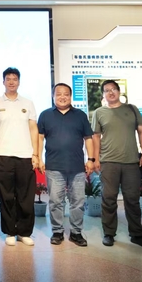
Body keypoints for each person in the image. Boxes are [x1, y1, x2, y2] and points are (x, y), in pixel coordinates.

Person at [91, 79, 142, 249]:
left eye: (113, 89)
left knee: (132, 200)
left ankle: (137, 235)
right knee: (109, 199)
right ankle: (109, 233)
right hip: (108, 162)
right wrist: (95, 159)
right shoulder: (99, 112)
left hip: (131, 162)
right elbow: (96, 137)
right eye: (107, 90)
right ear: (103, 95)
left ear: (119, 92)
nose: (110, 92)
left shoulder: (131, 109)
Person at [37, 83, 94, 247]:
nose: (62, 97)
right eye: (59, 94)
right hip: (54, 166)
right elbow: (39, 138)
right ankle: (57, 231)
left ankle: (76, 233)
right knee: (55, 201)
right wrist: (38, 158)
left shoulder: (80, 115)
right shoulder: (45, 115)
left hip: (77, 167)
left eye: (66, 94)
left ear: (70, 96)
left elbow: (88, 138)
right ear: (53, 96)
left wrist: (91, 159)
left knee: (78, 201)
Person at [0, 67, 39, 247]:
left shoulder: (28, 103)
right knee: (7, 195)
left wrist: (35, 153)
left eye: (15, 79)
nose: (11, 82)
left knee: (26, 196)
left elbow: (33, 129)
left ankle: (24, 232)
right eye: (8, 79)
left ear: (19, 82)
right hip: (4, 154)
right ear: (3, 81)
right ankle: (10, 231)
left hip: (25, 155)